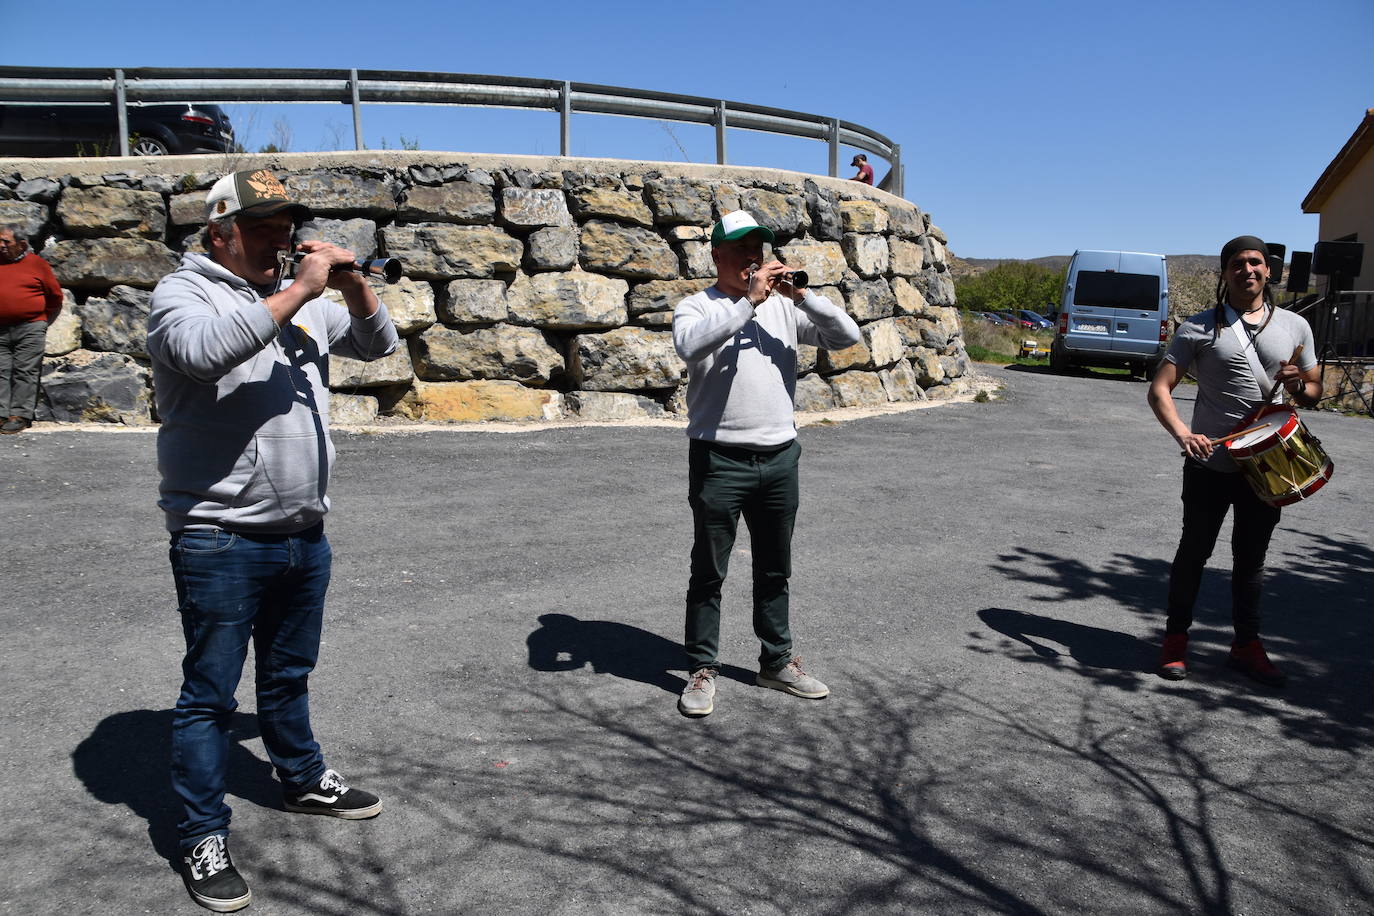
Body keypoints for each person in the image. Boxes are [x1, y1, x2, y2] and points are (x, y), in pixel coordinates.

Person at [147, 169, 400, 912]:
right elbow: (201, 354)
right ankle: (200, 833)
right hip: (219, 535)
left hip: (302, 532)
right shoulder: (181, 294)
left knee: (289, 676)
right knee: (209, 699)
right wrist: (299, 292)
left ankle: (301, 779)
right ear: (219, 232)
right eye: (262, 230)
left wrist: (352, 288)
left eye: (285, 228)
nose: (281, 242)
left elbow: (377, 347)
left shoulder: (303, 300)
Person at [671, 210, 862, 717]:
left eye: (761, 248)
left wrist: (802, 297)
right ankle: (702, 668)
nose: (754, 257)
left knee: (775, 568)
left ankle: (776, 662)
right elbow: (689, 346)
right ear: (717, 255)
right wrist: (747, 303)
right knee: (709, 572)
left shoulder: (783, 309)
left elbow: (847, 337)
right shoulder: (696, 307)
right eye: (742, 249)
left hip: (780, 457)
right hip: (719, 458)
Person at [1146, 235, 1320, 688]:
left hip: (1267, 465)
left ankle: (1246, 646)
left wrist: (1298, 384)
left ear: (1268, 270)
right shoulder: (1198, 328)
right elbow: (1159, 389)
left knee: (1251, 561)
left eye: (1256, 262)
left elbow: (1314, 392)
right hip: (1210, 465)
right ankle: (1175, 643)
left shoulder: (1296, 327)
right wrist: (1184, 434)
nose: (1248, 270)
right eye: (1239, 263)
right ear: (1225, 273)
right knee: (1193, 554)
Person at [0, 226, 63, 433]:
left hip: (30, 326)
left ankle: (19, 415)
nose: (1, 246)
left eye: (6, 242)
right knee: (1, 371)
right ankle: (1, 414)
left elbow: (55, 297)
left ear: (22, 245)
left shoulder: (37, 264)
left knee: (25, 371)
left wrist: (41, 322)